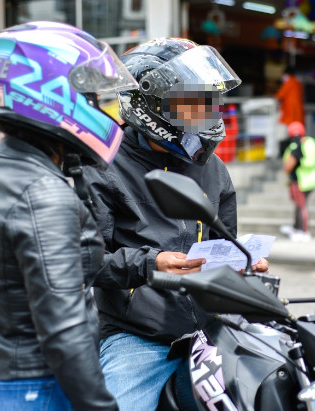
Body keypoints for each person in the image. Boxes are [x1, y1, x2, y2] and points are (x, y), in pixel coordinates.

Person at [83, 38, 269, 411]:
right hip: (138, 335)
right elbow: (88, 263)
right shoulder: (103, 166)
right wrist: (151, 264)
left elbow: (223, 245)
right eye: (193, 101)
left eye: (209, 100)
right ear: (149, 104)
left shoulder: (212, 168)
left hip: (211, 327)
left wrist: (243, 266)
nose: (208, 112)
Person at [0, 21, 138, 410]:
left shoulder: (1, 170)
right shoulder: (42, 194)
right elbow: (65, 328)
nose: (111, 115)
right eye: (93, 98)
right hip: (37, 391)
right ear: (51, 94)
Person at [280, 121, 315, 242]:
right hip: (296, 180)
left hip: (304, 180)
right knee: (299, 205)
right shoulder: (295, 145)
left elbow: (311, 161)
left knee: (301, 205)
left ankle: (304, 231)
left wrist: (298, 162)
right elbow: (287, 162)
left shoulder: (308, 144)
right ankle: (295, 227)